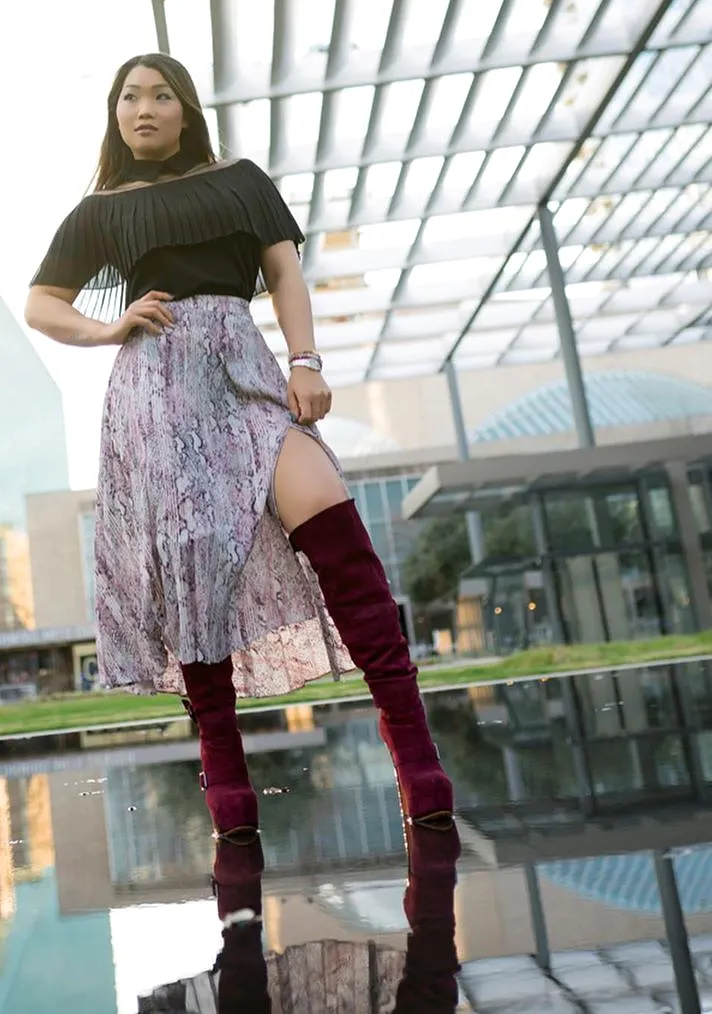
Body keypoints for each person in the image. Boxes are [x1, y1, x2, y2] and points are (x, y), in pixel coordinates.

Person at [25, 54, 454, 842]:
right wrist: (107, 327)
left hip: (248, 375)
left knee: (336, 531)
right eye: (129, 97)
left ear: (186, 109)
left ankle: (417, 756)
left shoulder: (241, 180)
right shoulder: (103, 209)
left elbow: (284, 274)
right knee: (192, 575)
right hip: (157, 393)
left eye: (161, 95)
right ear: (115, 115)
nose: (143, 108)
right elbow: (41, 304)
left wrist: (305, 361)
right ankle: (224, 774)